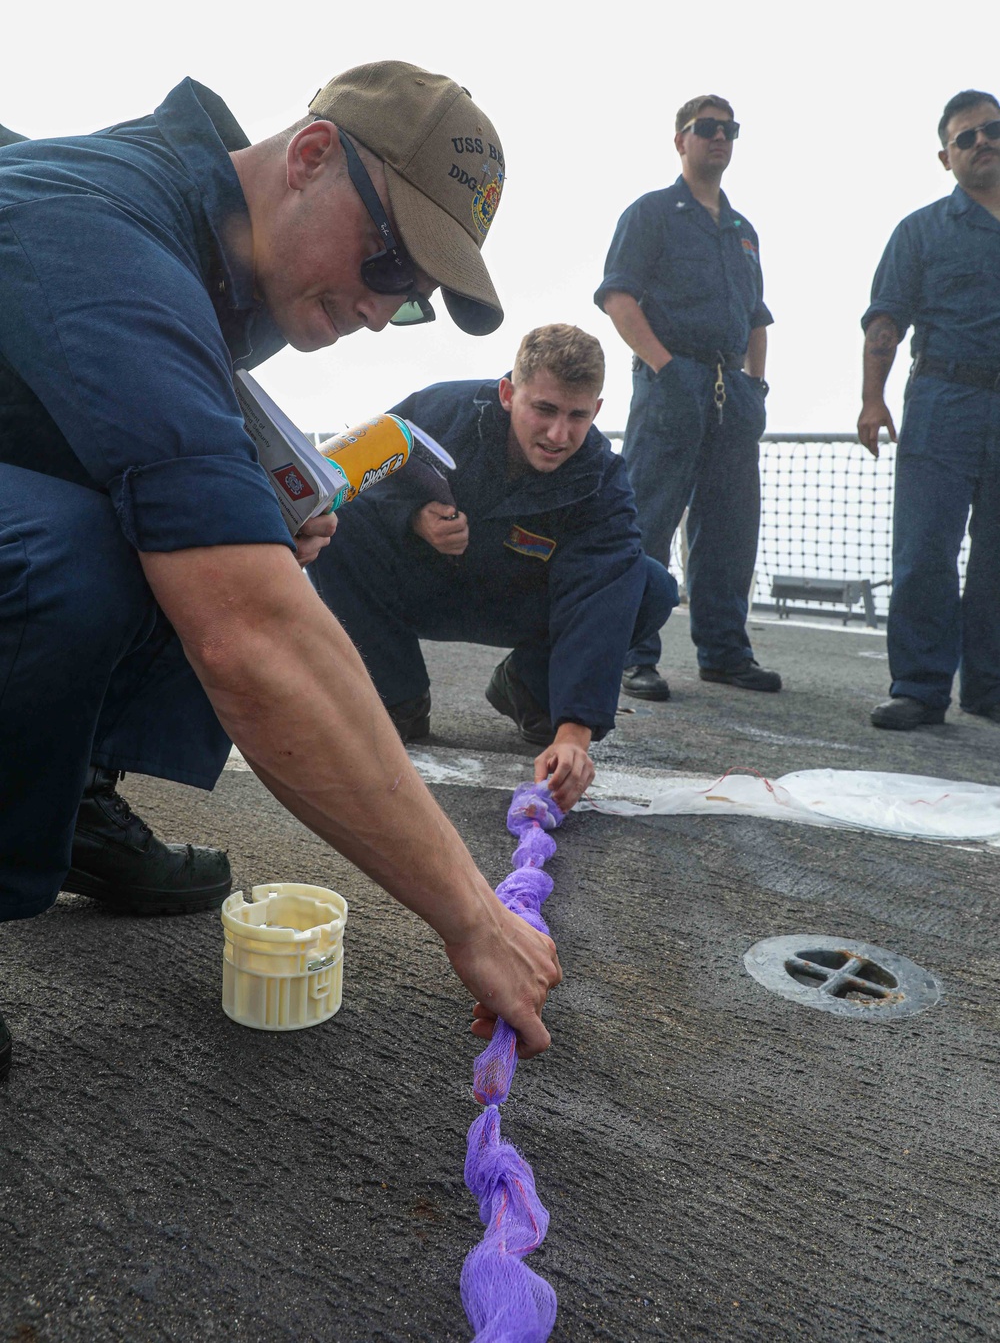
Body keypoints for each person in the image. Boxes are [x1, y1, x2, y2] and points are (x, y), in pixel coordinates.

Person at [0, 61, 561, 1084]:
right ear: (309, 158)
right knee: (78, 562)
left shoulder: (212, 250)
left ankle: (63, 797)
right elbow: (250, 637)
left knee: (201, 519)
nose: (379, 307)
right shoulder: (119, 240)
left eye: (412, 301)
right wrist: (468, 914)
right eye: (388, 263)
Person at [309, 324, 678, 812]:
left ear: (598, 411)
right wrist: (412, 517)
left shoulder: (603, 480)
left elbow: (602, 591)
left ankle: (529, 684)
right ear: (508, 392)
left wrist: (575, 733)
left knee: (648, 583)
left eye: (577, 416)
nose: (557, 434)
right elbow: (351, 475)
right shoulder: (439, 409)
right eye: (543, 409)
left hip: (518, 605)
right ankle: (397, 697)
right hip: (425, 587)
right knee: (337, 516)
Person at [594, 94, 780, 700]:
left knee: (730, 523)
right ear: (681, 140)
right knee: (648, 515)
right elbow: (618, 298)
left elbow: (757, 316)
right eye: (707, 129)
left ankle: (724, 651)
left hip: (733, 388)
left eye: (729, 129)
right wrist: (666, 368)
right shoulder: (651, 214)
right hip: (672, 379)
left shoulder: (742, 230)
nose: (719, 138)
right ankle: (631, 652)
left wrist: (755, 383)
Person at [860, 90, 1000, 731]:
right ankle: (919, 687)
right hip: (943, 400)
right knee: (924, 550)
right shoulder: (919, 231)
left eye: (990, 130)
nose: (981, 143)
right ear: (945, 157)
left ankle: (990, 687)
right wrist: (871, 399)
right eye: (965, 138)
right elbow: (885, 321)